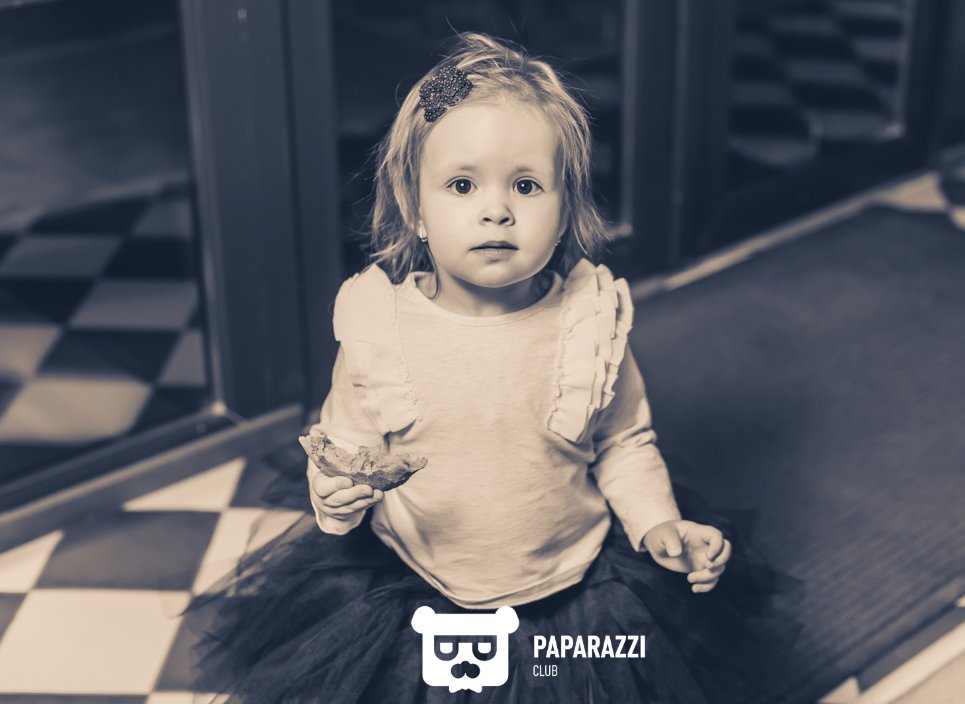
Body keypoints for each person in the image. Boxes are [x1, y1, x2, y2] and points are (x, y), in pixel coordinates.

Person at [182, 31, 801, 704]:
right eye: (462, 184)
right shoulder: (378, 328)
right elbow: (348, 448)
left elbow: (625, 442)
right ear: (416, 210)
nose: (497, 209)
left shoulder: (588, 325)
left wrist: (659, 525)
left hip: (576, 582)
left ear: (565, 214)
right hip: (417, 585)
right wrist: (334, 499)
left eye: (527, 185)